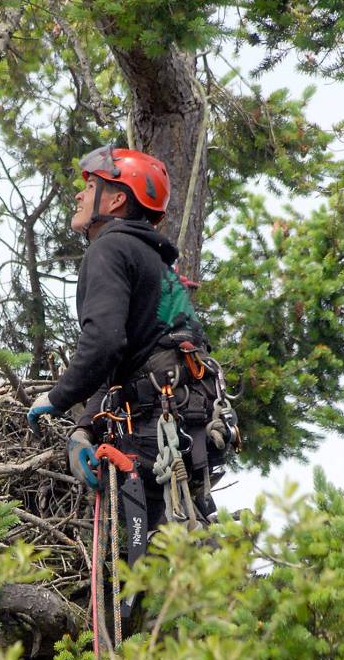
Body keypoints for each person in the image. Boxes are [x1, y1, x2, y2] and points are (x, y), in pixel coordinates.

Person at [27, 145, 235, 530]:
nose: (79, 194)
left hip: (153, 425)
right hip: (191, 423)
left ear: (117, 198)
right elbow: (125, 360)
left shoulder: (109, 248)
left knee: (143, 561)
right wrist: (85, 427)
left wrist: (57, 398)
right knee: (183, 534)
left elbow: (104, 343)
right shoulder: (156, 264)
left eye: (90, 186)